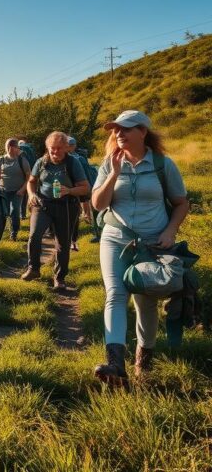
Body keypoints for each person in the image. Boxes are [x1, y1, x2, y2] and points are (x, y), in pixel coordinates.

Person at [91, 110, 188, 385]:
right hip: (116, 238)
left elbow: (181, 202)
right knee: (115, 294)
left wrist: (170, 232)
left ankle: (143, 361)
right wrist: (114, 174)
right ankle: (115, 364)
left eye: (126, 129)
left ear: (143, 132)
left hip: (152, 242)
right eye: (115, 130)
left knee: (145, 301)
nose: (119, 134)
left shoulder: (162, 165)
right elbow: (98, 204)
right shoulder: (109, 163)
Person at [21, 132, 90, 291]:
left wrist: (70, 190)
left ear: (66, 148)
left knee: (62, 244)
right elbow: (31, 181)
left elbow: (86, 188)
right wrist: (31, 194)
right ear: (47, 148)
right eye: (52, 149)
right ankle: (34, 268)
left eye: (59, 149)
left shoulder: (73, 163)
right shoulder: (41, 162)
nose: (55, 153)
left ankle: (59, 278)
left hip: (66, 205)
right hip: (43, 204)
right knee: (34, 235)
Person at [0, 138, 31, 240]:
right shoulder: (1, 159)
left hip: (17, 191)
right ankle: (1, 233)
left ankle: (14, 233)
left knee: (14, 211)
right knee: (4, 212)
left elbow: (29, 177)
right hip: (3, 190)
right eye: (16, 147)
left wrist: (22, 190)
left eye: (17, 147)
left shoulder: (22, 160)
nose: (18, 149)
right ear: (10, 147)